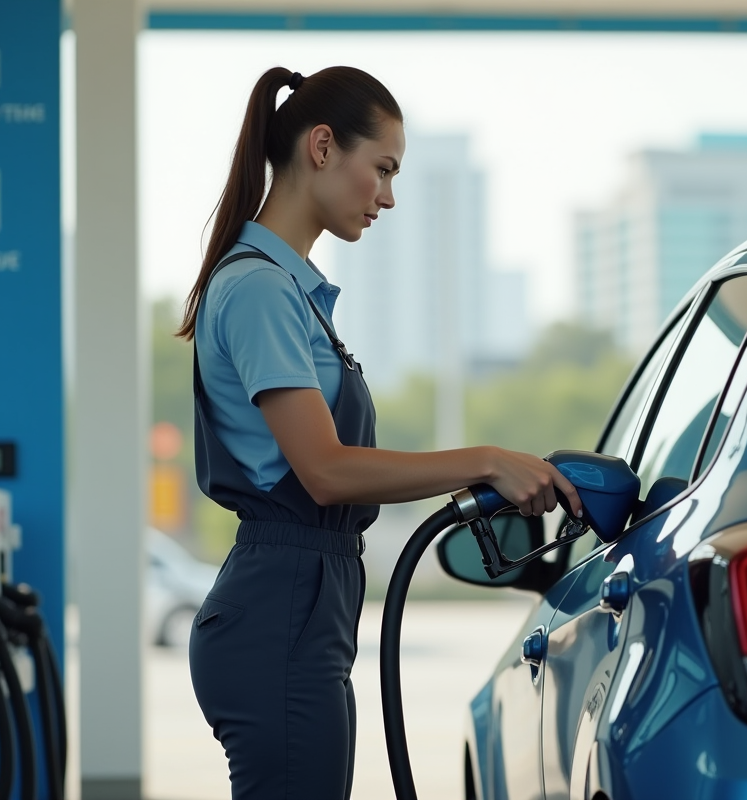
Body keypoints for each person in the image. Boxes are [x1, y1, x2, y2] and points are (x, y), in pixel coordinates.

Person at [181, 66, 582, 800]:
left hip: (303, 606)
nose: (389, 196)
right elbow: (327, 471)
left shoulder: (291, 294)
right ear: (324, 147)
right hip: (279, 610)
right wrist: (486, 460)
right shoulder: (260, 291)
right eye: (384, 169)